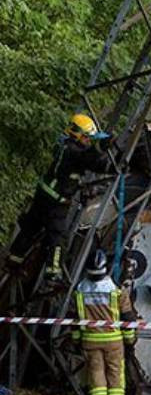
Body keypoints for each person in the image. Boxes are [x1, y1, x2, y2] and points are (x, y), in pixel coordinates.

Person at [6, 114, 112, 281]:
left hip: (42, 196)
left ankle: (13, 259)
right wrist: (100, 149)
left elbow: (91, 162)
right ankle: (53, 272)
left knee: (30, 228)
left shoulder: (63, 145)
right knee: (58, 237)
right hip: (57, 203)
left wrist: (107, 162)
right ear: (78, 135)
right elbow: (88, 159)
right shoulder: (74, 152)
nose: (88, 141)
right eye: (87, 138)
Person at [72, 249, 136, 395]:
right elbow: (128, 318)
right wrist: (130, 341)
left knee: (96, 374)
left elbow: (75, 320)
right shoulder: (116, 290)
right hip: (114, 341)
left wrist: (76, 341)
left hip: (90, 340)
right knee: (115, 374)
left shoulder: (80, 290)